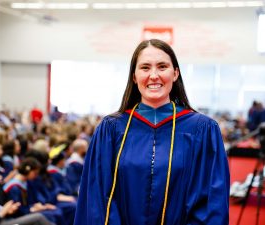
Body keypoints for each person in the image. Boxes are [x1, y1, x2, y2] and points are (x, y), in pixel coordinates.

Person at [74, 39, 230, 225]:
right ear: (134, 76)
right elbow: (97, 198)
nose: (154, 75)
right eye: (145, 68)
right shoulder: (111, 129)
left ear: (175, 73)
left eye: (162, 66)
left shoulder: (202, 130)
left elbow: (211, 202)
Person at [0, 154, 54, 225]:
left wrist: (11, 208)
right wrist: (1, 213)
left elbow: (5, 202)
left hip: (6, 217)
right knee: (38, 218)